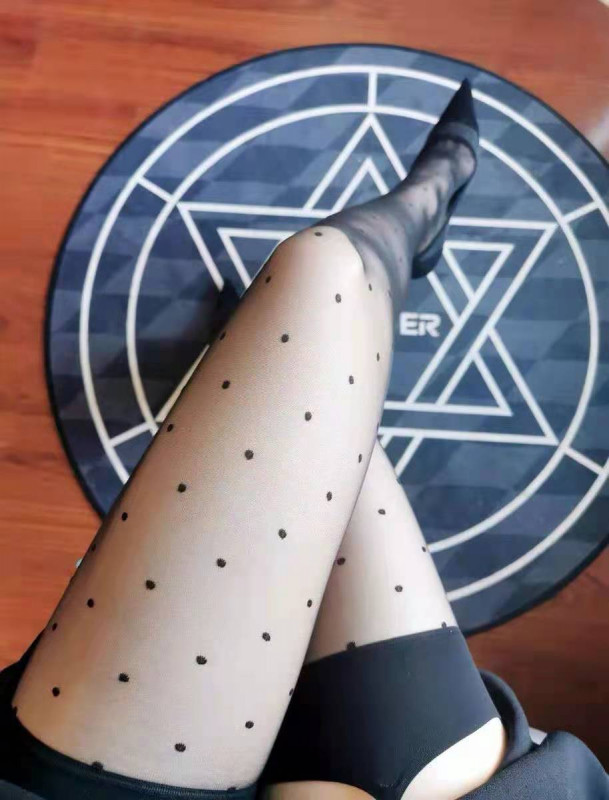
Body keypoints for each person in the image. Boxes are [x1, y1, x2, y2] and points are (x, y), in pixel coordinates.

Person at [0, 83, 606, 800]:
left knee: (316, 292)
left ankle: (298, 311)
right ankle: (414, 212)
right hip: (442, 785)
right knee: (317, 294)